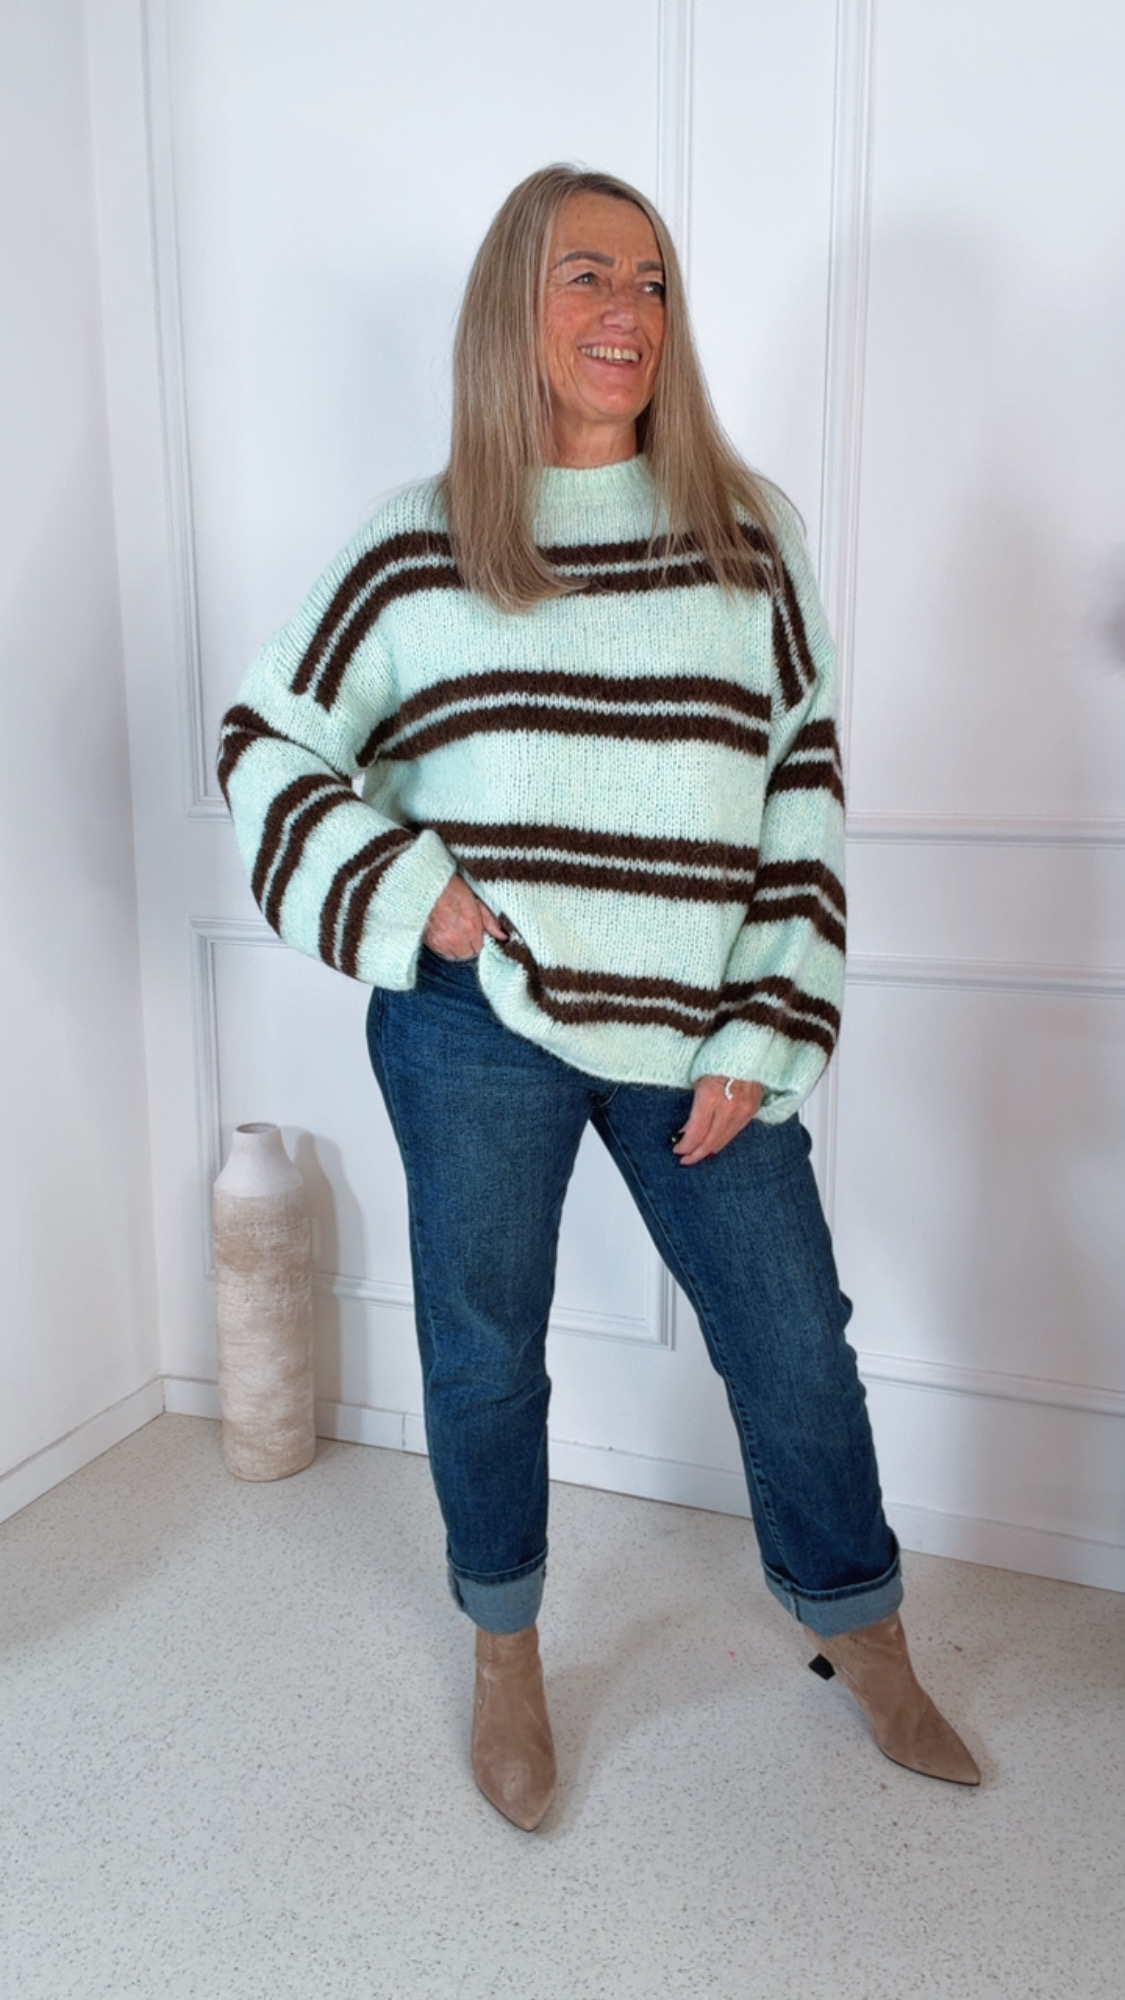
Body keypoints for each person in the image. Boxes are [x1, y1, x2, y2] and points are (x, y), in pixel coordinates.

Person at [219, 164, 980, 1829]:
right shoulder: (418, 544)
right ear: (516, 304)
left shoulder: (745, 533)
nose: (624, 311)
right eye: (583, 275)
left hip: (697, 1032)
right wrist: (416, 895)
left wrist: (765, 1025)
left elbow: (799, 791)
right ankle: (505, 1652)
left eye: (649, 281)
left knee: (790, 1338)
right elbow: (266, 740)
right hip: (475, 1022)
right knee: (485, 1351)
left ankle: (864, 1632)